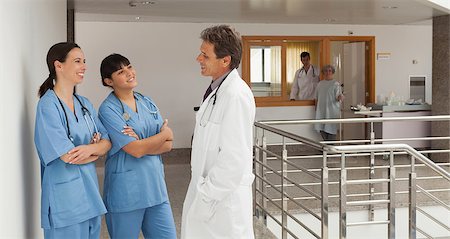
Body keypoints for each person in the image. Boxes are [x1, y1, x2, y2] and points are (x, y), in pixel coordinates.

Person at [181, 25, 256, 239]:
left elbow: (233, 159)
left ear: (225, 60)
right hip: (210, 196)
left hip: (222, 203)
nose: (198, 59)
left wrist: (205, 197)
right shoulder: (217, 91)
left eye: (205, 55)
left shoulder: (235, 96)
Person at [34, 42, 111, 238]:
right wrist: (94, 150)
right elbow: (68, 156)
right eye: (77, 61)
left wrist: (88, 149)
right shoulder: (48, 105)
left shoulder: (84, 104)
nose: (84, 66)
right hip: (64, 202)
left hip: (90, 196)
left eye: (84, 61)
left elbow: (108, 141)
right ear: (58, 65)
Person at [98, 53, 176, 239]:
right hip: (126, 194)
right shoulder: (108, 109)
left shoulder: (146, 101)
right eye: (120, 71)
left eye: (129, 67)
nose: (129, 73)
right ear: (108, 81)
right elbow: (135, 150)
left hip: (156, 189)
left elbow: (168, 145)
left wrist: (143, 143)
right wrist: (162, 134)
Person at [314, 64, 344, 141]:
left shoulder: (336, 84)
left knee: (331, 129)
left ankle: (330, 148)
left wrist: (340, 97)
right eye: (326, 71)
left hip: (332, 111)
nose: (328, 72)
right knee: (321, 128)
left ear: (332, 72)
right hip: (321, 110)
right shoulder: (320, 84)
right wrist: (316, 108)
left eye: (330, 71)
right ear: (323, 72)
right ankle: (326, 146)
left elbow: (338, 97)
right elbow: (316, 98)